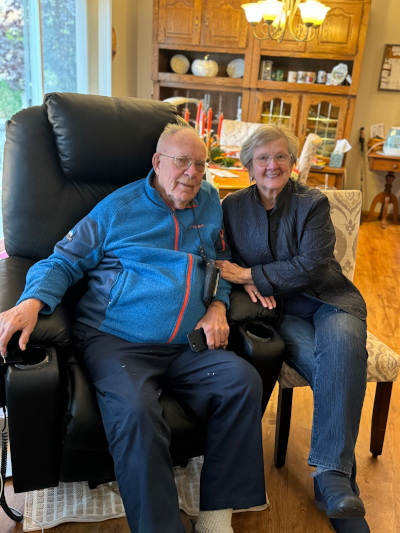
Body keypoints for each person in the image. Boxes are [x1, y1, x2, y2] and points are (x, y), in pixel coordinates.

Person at [0, 124, 268, 533]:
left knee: (241, 382)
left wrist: (217, 305)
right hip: (117, 341)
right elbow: (63, 259)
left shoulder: (210, 202)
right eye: (181, 162)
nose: (191, 174)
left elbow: (220, 261)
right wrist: (31, 301)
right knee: (137, 411)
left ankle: (215, 517)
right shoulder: (117, 209)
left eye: (200, 164)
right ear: (157, 162)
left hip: (185, 344)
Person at [216, 124, 369, 533]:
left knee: (347, 348)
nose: (272, 165)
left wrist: (253, 275)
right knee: (337, 372)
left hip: (330, 301)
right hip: (280, 314)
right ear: (248, 165)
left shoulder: (312, 203)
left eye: (281, 156)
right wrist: (246, 280)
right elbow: (222, 262)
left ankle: (329, 477)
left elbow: (313, 265)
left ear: (292, 162)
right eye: (262, 158)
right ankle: (336, 485)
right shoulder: (232, 207)